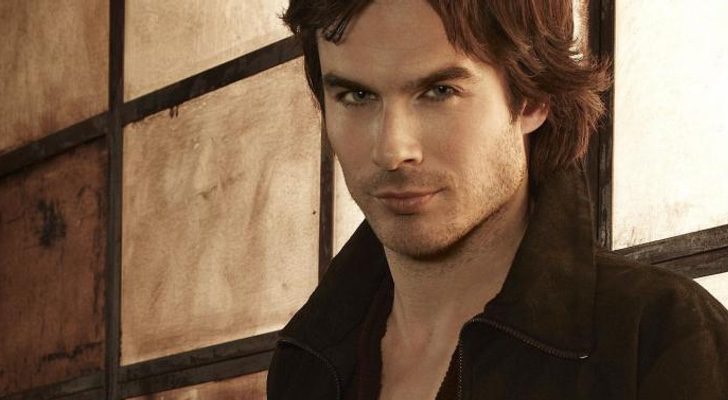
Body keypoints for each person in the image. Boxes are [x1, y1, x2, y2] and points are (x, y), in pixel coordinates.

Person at [267, 1, 728, 398]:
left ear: (533, 98)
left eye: (439, 92)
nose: (391, 150)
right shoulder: (303, 363)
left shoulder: (661, 338)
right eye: (356, 95)